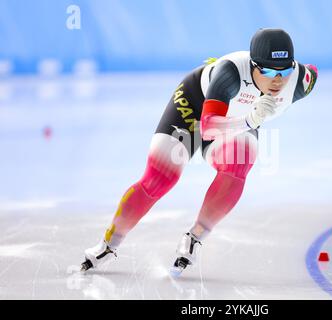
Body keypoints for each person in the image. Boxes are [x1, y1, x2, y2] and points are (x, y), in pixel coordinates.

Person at [81, 28, 318, 276]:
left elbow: (313, 71)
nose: (278, 81)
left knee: (239, 164)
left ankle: (195, 237)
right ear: (253, 66)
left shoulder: (302, 81)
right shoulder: (231, 73)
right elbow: (207, 128)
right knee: (161, 176)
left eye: (284, 71)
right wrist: (249, 120)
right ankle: (108, 244)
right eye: (268, 71)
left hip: (237, 118)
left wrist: (249, 119)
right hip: (195, 105)